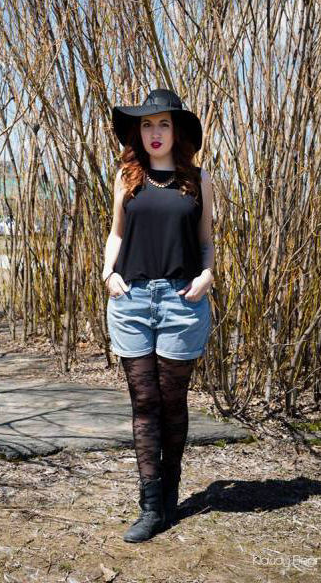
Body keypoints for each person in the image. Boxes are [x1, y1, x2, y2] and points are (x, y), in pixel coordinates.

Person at [102, 88, 214, 543]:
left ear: (177, 131)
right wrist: (108, 272)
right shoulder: (127, 176)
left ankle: (170, 494)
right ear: (138, 131)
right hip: (131, 301)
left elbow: (205, 241)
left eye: (163, 124)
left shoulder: (197, 180)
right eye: (147, 124)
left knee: (172, 402)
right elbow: (116, 234)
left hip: (181, 302)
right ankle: (150, 507)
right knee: (144, 403)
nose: (155, 132)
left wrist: (207, 275)